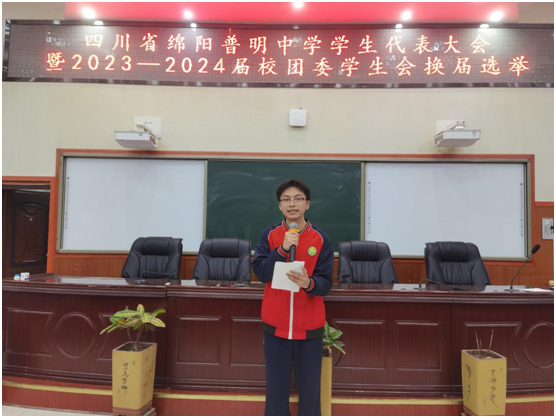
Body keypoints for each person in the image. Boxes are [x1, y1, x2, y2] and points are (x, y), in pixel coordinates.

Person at [252, 179, 334, 416]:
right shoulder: (269, 235)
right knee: (276, 392)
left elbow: (325, 284)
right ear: (279, 205)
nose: (292, 204)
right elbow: (261, 273)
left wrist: (308, 283)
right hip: (275, 326)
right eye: (286, 200)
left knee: (310, 391)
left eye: (298, 199)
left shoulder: (321, 239)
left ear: (307, 204)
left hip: (309, 328)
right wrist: (282, 249)